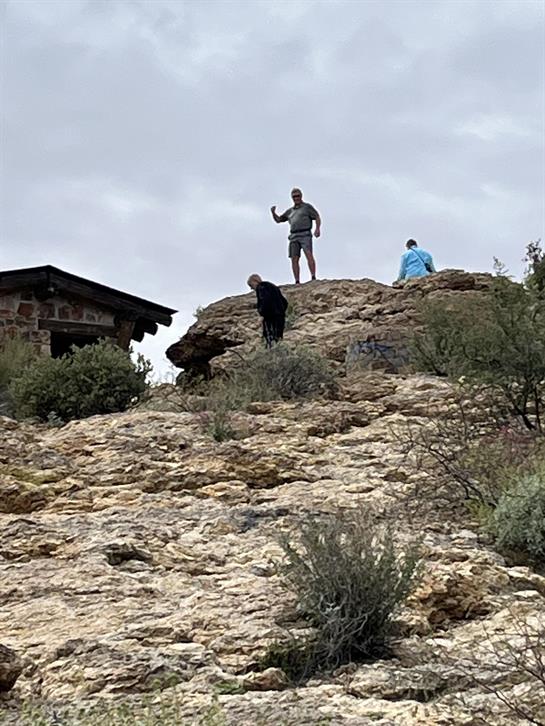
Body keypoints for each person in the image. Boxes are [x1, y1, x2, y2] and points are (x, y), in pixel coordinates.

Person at [270, 188, 321, 284]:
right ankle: (297, 280)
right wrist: (273, 213)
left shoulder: (307, 207)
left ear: (301, 196)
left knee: (308, 254)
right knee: (294, 258)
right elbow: (279, 220)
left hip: (305, 233)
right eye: (294, 196)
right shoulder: (290, 211)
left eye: (297, 196)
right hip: (293, 235)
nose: (296, 198)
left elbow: (317, 217)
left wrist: (317, 228)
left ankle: (313, 276)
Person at [247, 274, 288, 348]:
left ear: (255, 281)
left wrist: (262, 312)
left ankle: (272, 354)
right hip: (280, 316)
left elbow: (265, 301)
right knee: (278, 337)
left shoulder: (261, 287)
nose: (251, 288)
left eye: (251, 285)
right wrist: (281, 311)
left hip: (270, 317)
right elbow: (285, 302)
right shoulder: (273, 287)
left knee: (270, 338)